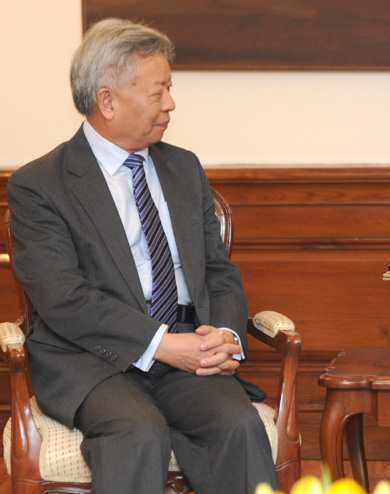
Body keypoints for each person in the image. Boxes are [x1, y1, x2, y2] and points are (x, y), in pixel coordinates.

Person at [7, 18, 277, 494]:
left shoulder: (183, 168)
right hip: (91, 359)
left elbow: (217, 271)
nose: (170, 103)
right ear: (107, 100)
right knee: (137, 432)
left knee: (237, 423)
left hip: (188, 351)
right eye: (157, 92)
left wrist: (227, 336)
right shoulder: (41, 185)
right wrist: (161, 344)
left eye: (170, 88)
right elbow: (63, 298)